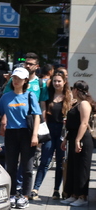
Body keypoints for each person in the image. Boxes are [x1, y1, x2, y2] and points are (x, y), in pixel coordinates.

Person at [0, 67, 41, 209]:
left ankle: (25, 195)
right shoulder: (6, 97)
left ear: (25, 80)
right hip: (11, 133)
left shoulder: (30, 96)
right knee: (11, 166)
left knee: (27, 167)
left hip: (26, 133)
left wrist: (34, 135)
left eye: (19, 78)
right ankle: (11, 194)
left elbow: (36, 116)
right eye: (14, 78)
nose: (16, 81)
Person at [33, 71, 71, 200]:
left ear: (64, 82)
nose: (56, 83)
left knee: (60, 163)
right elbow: (43, 111)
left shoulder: (68, 96)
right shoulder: (48, 94)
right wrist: (41, 129)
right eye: (54, 81)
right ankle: (35, 188)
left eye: (59, 81)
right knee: (45, 160)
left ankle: (56, 191)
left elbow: (70, 114)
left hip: (61, 131)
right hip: (49, 131)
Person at [60, 80, 95, 206]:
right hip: (74, 136)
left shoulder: (85, 104)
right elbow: (72, 124)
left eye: (72, 89)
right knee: (73, 167)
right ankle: (73, 193)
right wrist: (66, 139)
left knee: (82, 168)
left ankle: (82, 196)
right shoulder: (76, 104)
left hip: (82, 138)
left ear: (76, 90)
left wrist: (77, 140)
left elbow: (84, 123)